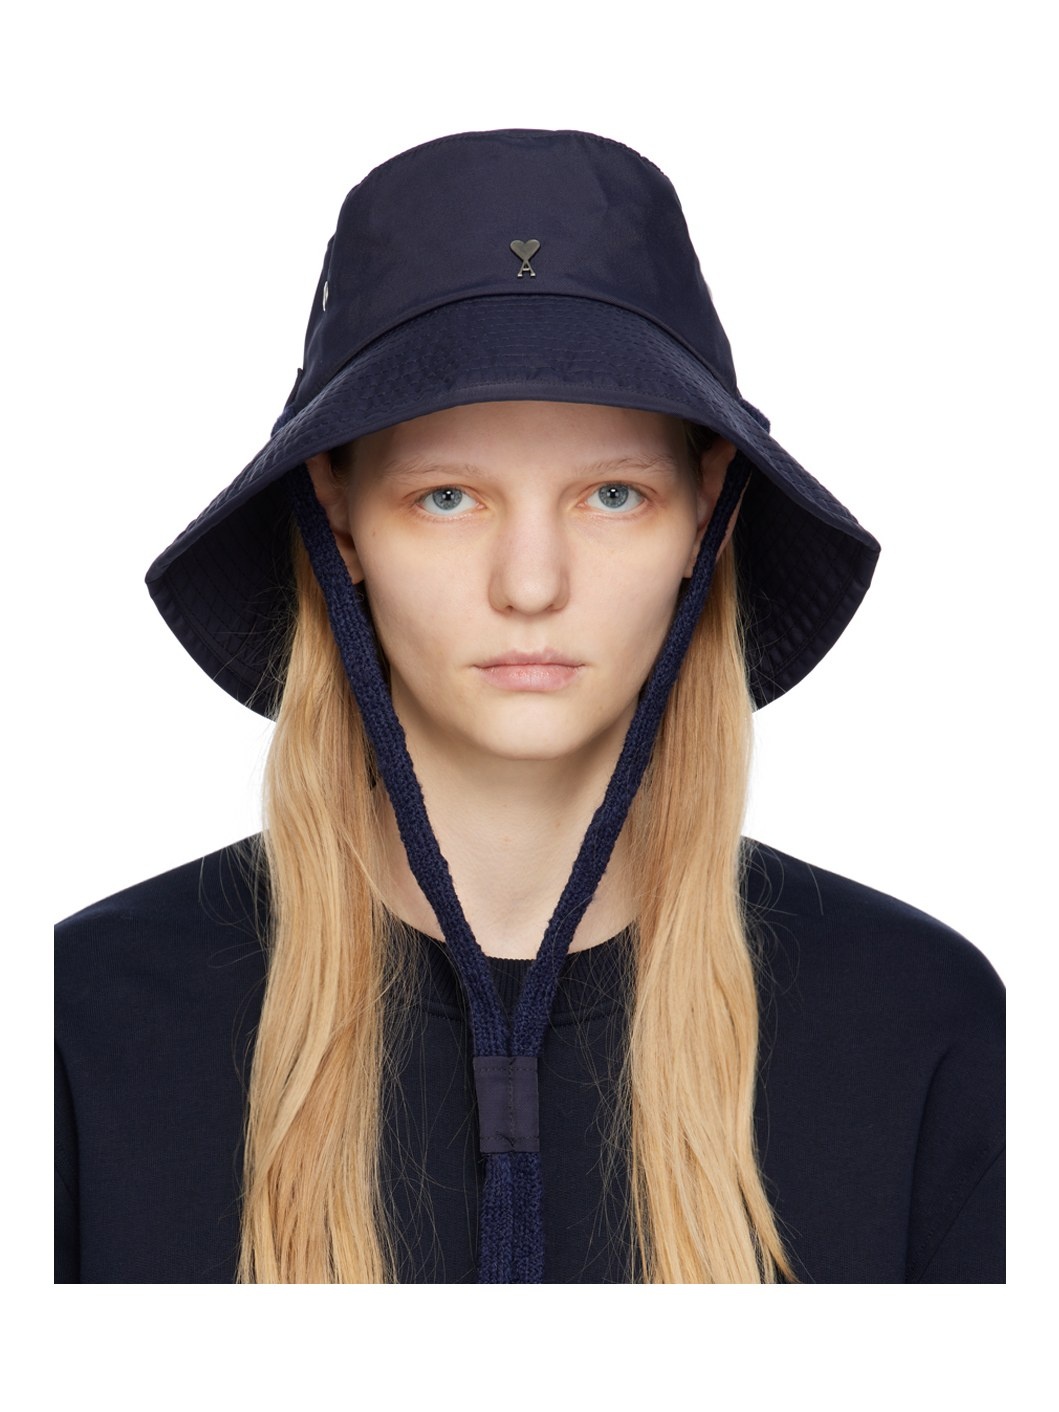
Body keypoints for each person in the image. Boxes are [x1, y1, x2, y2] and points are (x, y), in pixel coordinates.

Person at [54, 128, 1005, 1284]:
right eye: (448, 496)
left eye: (613, 493)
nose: (532, 583)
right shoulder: (79, 1028)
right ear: (339, 518)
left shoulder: (920, 1026)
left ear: (705, 516)